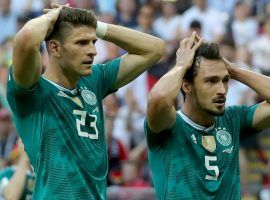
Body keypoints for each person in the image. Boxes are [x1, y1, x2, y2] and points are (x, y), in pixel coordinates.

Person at [7, 3, 164, 199]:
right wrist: (54, 16)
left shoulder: (94, 80)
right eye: (82, 43)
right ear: (55, 48)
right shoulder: (31, 92)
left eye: (93, 42)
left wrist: (97, 26)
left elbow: (155, 48)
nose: (93, 51)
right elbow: (26, 39)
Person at [145, 32, 270, 199]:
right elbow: (158, 98)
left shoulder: (233, 120)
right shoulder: (169, 125)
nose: (221, 90)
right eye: (211, 81)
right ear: (187, 86)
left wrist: (233, 70)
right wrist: (181, 66)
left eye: (225, 80)